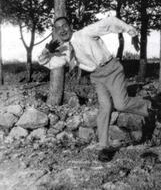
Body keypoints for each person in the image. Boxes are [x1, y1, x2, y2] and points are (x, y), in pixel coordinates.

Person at [38, 16, 151, 161]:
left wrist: (132, 32)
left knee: (121, 104)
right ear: (55, 32)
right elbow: (49, 63)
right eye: (58, 28)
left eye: (64, 26)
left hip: (112, 69)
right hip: (97, 77)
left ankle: (149, 106)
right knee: (105, 108)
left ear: (70, 26)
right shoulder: (65, 50)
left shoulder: (86, 33)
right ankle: (103, 147)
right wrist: (46, 51)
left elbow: (110, 22)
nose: (62, 30)